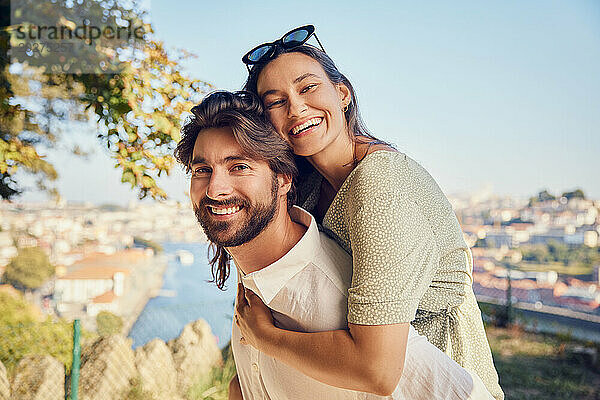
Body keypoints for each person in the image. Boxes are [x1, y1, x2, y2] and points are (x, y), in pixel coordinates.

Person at [237, 25, 504, 400]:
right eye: (275, 101)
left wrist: (266, 337)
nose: (296, 108)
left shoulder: (380, 185)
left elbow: (376, 370)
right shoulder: (308, 187)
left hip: (440, 384)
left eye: (307, 87)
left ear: (342, 93)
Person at [174, 90, 494, 399]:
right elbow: (249, 382)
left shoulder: (333, 301)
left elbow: (439, 388)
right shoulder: (256, 268)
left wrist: (268, 339)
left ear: (284, 179)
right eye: (202, 170)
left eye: (239, 167)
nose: (215, 189)